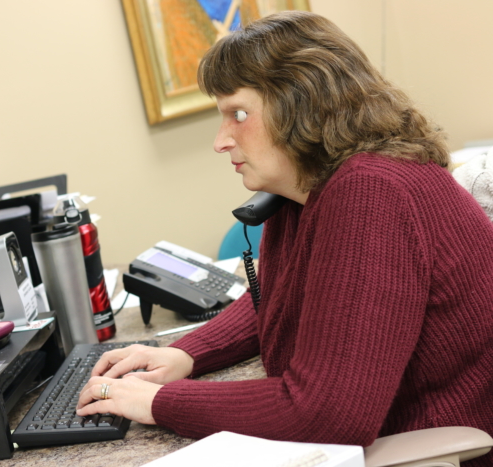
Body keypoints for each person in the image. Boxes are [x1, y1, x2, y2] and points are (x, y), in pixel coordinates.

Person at [76, 10, 493, 464]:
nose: (221, 141)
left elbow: (327, 414)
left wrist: (153, 403)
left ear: (301, 102)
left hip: (433, 444)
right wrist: (186, 355)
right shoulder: (309, 188)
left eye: (238, 114)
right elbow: (285, 296)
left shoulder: (372, 192)